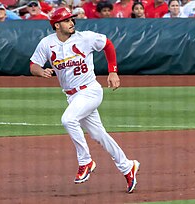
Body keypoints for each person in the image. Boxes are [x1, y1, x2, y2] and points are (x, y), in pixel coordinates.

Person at [29, 7, 140, 193]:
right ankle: (128, 167)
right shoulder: (46, 43)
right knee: (99, 135)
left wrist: (113, 71)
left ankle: (85, 161)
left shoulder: (85, 38)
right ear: (56, 25)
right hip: (72, 96)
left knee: (68, 120)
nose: (72, 22)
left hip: (90, 91)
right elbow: (33, 65)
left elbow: (108, 44)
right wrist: (41, 71)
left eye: (72, 19)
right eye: (66, 20)